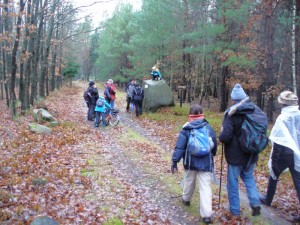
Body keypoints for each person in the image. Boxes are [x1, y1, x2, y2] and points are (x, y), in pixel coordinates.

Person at [219, 83, 263, 217]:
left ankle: (235, 211)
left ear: (233, 99)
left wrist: (220, 134)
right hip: (251, 153)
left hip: (235, 155)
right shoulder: (255, 110)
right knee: (249, 178)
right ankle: (255, 203)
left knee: (233, 182)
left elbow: (225, 136)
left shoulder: (231, 113)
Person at [171, 104, 217, 224]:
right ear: (202, 114)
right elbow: (214, 145)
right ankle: (206, 215)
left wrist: (175, 161)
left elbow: (180, 147)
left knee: (189, 181)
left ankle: (186, 199)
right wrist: (212, 155)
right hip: (206, 162)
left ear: (190, 115)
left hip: (190, 161)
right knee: (205, 187)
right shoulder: (208, 127)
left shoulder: (186, 128)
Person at [260, 91, 300, 221]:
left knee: (274, 174)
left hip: (284, 153)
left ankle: (268, 199)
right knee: (298, 181)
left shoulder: (283, 118)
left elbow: (278, 140)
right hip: (296, 153)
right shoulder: (298, 115)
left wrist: (274, 160)